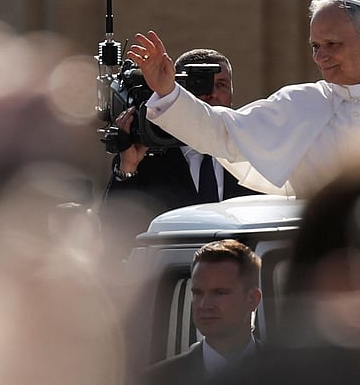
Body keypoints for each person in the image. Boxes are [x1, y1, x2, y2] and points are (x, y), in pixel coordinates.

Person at [127, 0, 360, 198]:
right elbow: (222, 133)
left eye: (333, 45)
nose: (321, 56)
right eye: (316, 46)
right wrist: (168, 91)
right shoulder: (300, 105)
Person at [100, 49, 259, 254]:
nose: (211, 94)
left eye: (221, 85)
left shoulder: (252, 150)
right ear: (177, 92)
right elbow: (114, 238)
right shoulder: (148, 156)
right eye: (199, 84)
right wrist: (128, 167)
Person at [126, 239, 264, 385]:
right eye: (198, 293)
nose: (205, 304)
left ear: (252, 299)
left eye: (220, 293)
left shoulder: (287, 377)